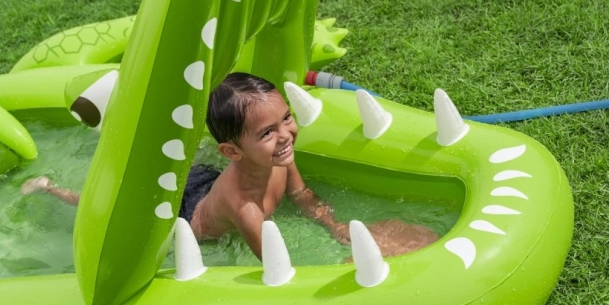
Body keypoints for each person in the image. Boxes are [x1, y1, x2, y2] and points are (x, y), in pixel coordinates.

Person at [22, 72, 438, 260]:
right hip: (187, 215)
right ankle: (51, 189)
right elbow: (275, 262)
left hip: (207, 184)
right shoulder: (245, 210)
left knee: (184, 171)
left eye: (286, 119)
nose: (286, 135)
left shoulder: (280, 157)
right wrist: (333, 263)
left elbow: (302, 196)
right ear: (232, 151)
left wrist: (336, 227)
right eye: (267, 132)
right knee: (118, 206)